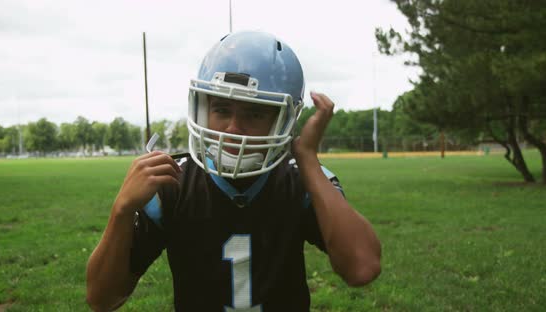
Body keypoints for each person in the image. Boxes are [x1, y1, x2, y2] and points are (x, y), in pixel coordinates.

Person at [86, 30, 381, 311]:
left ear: (285, 119)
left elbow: (362, 268)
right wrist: (122, 211)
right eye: (222, 110)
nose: (233, 129)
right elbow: (102, 298)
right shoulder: (172, 180)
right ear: (203, 108)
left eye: (254, 113)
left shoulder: (300, 179)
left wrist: (307, 160)